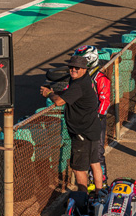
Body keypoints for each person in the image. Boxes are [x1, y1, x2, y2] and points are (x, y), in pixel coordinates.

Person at [40, 56, 102, 192]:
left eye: (76, 68)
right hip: (92, 129)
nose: (73, 70)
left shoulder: (79, 85)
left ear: (84, 69)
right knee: (94, 163)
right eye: (71, 67)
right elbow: (69, 94)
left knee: (78, 169)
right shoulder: (81, 80)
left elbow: (59, 102)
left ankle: (83, 199)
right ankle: (100, 194)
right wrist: (56, 92)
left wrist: (49, 93)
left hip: (82, 133)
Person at [73, 45, 111, 184]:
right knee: (84, 151)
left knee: (97, 151)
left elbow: (105, 100)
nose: (77, 65)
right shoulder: (79, 77)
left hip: (95, 121)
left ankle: (102, 182)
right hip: (81, 120)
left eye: (81, 61)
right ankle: (89, 181)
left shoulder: (100, 78)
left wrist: (97, 117)